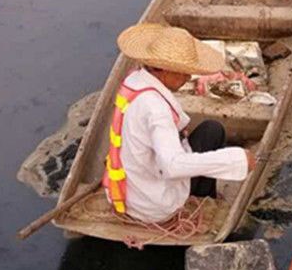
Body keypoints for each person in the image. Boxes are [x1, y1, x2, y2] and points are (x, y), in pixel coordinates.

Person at [102, 22, 256, 224]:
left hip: (124, 192)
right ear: (165, 70)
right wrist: (237, 160)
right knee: (213, 131)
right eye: (183, 72)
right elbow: (172, 166)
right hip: (153, 205)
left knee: (207, 131)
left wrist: (179, 130)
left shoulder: (134, 81)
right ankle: (202, 200)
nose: (189, 77)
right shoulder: (156, 109)